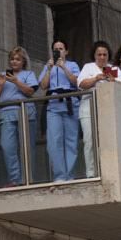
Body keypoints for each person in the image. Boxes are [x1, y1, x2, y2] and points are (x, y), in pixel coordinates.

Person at [0, 47, 40, 187]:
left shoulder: (28, 74)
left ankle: (28, 178)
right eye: (12, 59)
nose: (14, 62)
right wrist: (0, 85)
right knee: (7, 146)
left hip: (25, 112)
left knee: (27, 147)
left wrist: (16, 81)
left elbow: (30, 91)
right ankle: (15, 179)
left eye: (18, 59)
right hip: (6, 113)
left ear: (23, 61)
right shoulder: (1, 76)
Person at [76, 41, 121, 176]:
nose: (102, 57)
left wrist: (113, 81)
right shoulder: (88, 67)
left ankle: (108, 171)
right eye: (99, 54)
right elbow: (81, 84)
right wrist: (96, 78)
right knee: (89, 141)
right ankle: (91, 173)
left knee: (108, 141)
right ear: (94, 55)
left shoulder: (112, 69)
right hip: (88, 109)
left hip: (108, 110)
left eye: (105, 54)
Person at [36, 40, 82, 182]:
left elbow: (77, 82)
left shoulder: (72, 65)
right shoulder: (48, 66)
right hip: (54, 106)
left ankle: (70, 175)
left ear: (66, 51)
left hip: (70, 105)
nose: (58, 51)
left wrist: (64, 68)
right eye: (55, 49)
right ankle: (60, 176)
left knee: (71, 141)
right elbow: (43, 86)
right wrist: (50, 69)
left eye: (61, 48)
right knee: (54, 142)